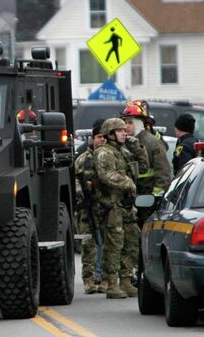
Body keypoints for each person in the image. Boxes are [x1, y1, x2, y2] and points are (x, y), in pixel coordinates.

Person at [94, 118, 141, 299]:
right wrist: (127, 183)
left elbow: (142, 166)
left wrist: (137, 147)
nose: (125, 133)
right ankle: (112, 284)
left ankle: (127, 280)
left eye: (124, 130)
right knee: (114, 244)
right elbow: (106, 175)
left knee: (132, 239)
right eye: (120, 131)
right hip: (111, 205)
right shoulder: (104, 153)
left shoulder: (124, 152)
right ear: (111, 134)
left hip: (126, 205)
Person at [75, 119, 106, 294]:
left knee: (107, 244)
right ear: (93, 138)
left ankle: (103, 278)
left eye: (104, 137)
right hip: (87, 209)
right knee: (89, 245)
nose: (102, 140)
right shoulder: (82, 159)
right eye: (99, 137)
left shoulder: (110, 157)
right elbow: (75, 182)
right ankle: (89, 279)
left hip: (105, 207)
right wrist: (83, 193)